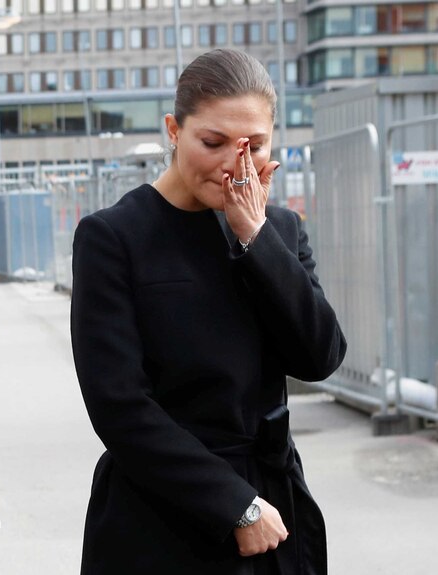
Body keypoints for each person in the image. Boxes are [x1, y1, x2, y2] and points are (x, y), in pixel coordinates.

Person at [70, 49, 347, 574]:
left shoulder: (278, 230)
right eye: (212, 142)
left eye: (254, 146)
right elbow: (119, 405)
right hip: (161, 511)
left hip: (272, 502)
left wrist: (256, 239)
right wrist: (234, 506)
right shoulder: (115, 236)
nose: (232, 164)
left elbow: (320, 357)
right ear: (174, 130)